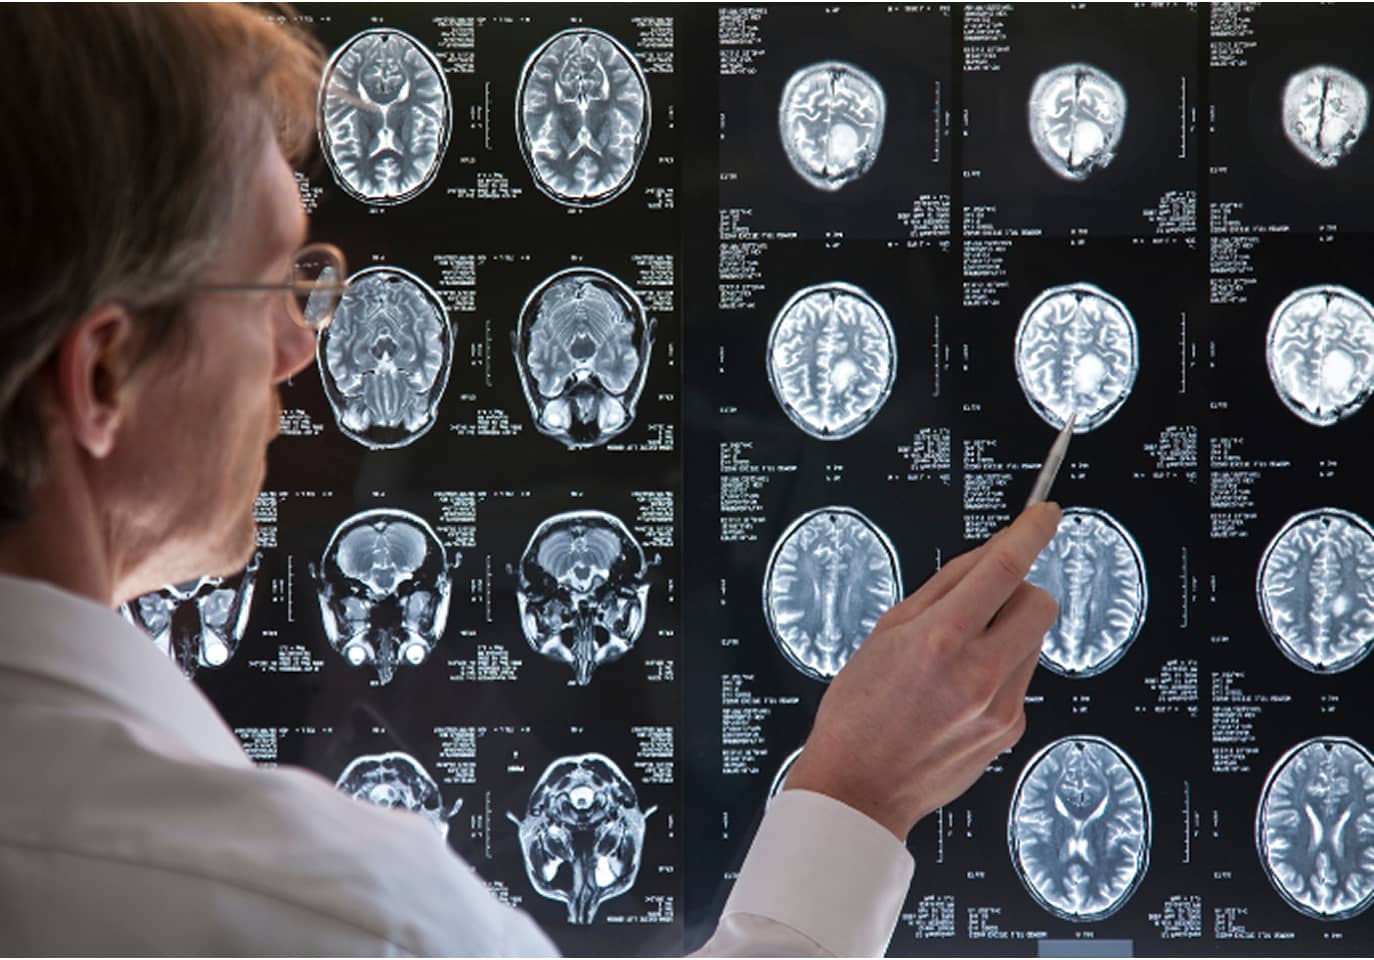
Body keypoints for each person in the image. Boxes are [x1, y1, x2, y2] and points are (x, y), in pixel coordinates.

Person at [0, 5, 1061, 955]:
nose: (301, 347)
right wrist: (860, 795)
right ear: (103, 375)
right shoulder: (329, 914)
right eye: (276, 282)